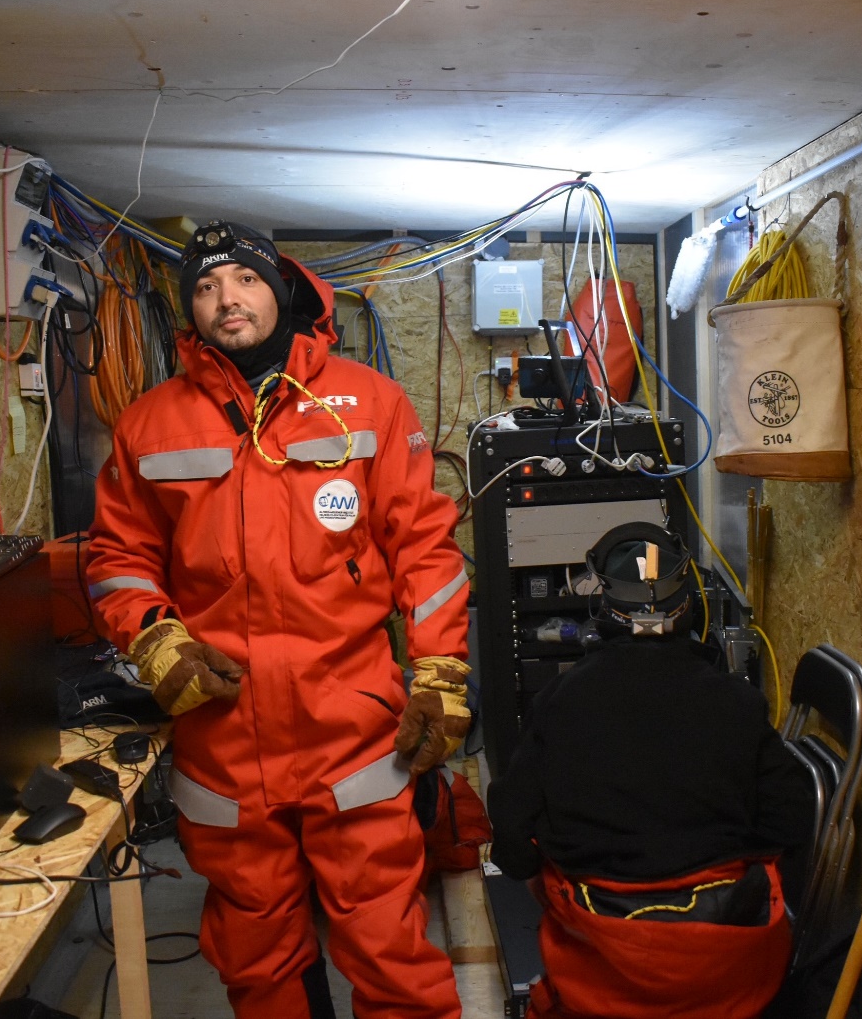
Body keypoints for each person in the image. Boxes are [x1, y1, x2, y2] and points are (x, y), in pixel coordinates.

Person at [84, 220, 470, 1019]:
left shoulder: (370, 401)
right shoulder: (150, 423)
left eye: (245, 280)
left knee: (392, 954)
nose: (227, 298)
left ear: (281, 289)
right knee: (258, 967)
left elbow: (425, 554)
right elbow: (117, 558)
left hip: (353, 734)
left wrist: (438, 673)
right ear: (189, 310)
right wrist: (159, 642)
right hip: (225, 742)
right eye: (204, 287)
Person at [488, 521, 815, 1019]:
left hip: (601, 960)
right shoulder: (737, 702)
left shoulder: (560, 701)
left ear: (603, 609)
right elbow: (791, 821)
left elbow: (512, 843)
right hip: (729, 970)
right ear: (689, 606)